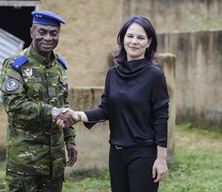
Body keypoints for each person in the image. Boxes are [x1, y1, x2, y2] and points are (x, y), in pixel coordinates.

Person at [55, 15, 169, 192]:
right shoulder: (113, 74)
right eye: (130, 36)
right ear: (123, 38)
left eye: (140, 38)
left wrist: (161, 159)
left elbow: (161, 118)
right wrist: (76, 115)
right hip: (116, 153)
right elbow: (105, 109)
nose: (134, 42)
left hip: (143, 153)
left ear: (149, 42)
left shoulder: (155, 76)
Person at [0, 10, 77, 192]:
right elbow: (13, 104)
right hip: (25, 160)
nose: (48, 38)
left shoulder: (59, 67)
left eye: (54, 33)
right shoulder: (16, 65)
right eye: (42, 32)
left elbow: (63, 104)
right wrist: (53, 112)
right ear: (32, 32)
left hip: (55, 160)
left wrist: (70, 140)